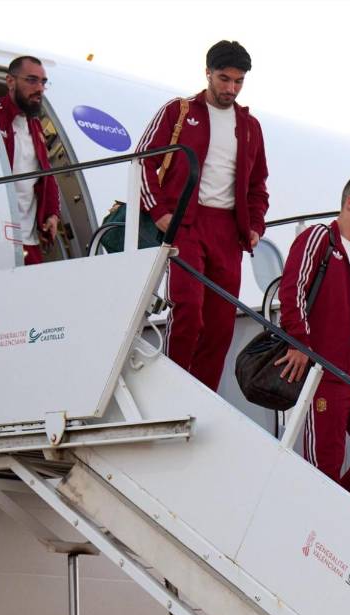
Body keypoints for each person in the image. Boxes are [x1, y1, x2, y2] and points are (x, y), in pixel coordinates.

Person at [137, 40, 269, 391]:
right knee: (189, 311)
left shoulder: (250, 126)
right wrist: (161, 212)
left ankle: (201, 394)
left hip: (229, 232)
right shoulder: (178, 111)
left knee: (221, 324)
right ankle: (170, 386)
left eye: (238, 81)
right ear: (207, 73)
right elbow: (143, 161)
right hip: (187, 224)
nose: (231, 88)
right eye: (224, 79)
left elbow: (258, 185)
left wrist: (255, 225)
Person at [276, 175, 350, 501]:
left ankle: (334, 508)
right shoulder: (320, 237)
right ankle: (319, 515)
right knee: (324, 461)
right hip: (327, 362)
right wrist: (299, 342)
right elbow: (293, 289)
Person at [0, 56, 61, 266]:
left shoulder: (35, 125)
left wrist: (52, 214)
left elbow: (46, 174)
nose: (39, 88)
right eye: (31, 80)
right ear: (10, 81)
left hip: (28, 238)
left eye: (43, 82)